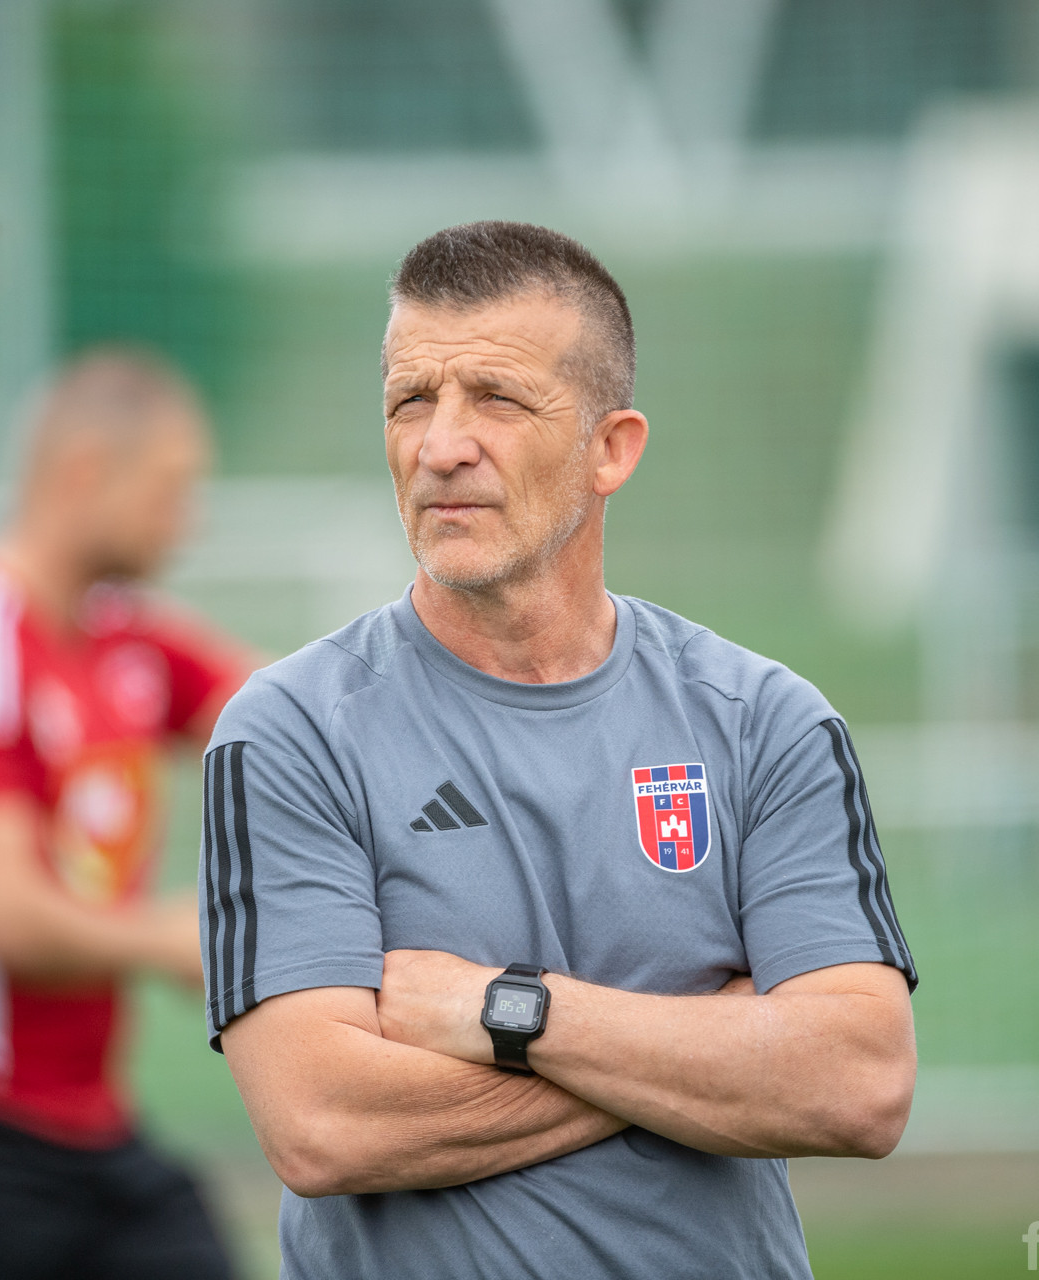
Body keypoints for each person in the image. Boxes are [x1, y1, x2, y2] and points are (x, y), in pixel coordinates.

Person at [198, 221, 919, 1279]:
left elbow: (859, 1085)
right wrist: (707, 1050)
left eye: (496, 398)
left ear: (610, 448)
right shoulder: (290, 732)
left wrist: (506, 1011)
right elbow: (323, 1125)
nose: (441, 444)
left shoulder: (765, 720)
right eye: (411, 400)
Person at [0, 349, 254, 1280]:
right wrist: (177, 939)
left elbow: (277, 713)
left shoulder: (119, 630)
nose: (185, 521)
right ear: (83, 473)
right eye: (169, 491)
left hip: (86, 1117)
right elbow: (6, 915)